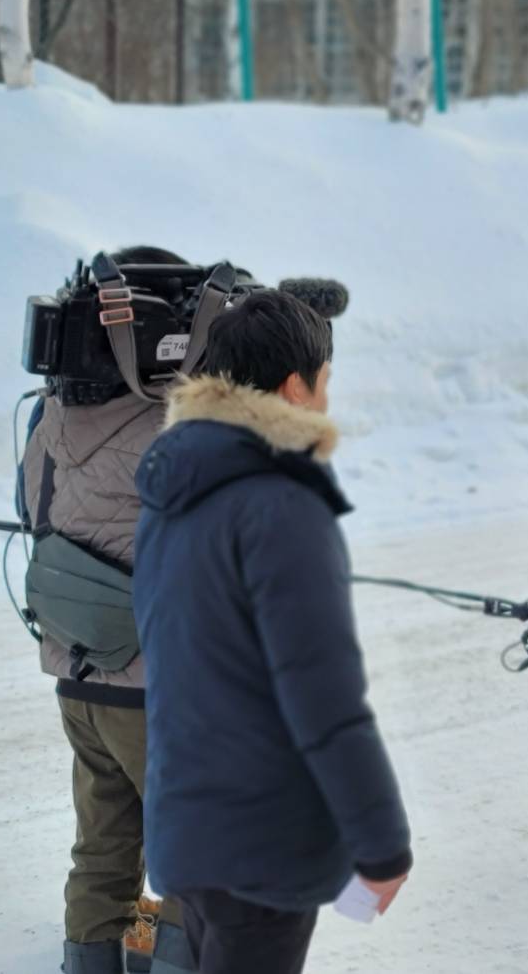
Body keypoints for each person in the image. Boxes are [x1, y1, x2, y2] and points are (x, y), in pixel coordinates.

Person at [131, 289, 412, 974]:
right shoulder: (281, 504)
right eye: (324, 382)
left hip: (188, 830)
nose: (324, 400)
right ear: (295, 385)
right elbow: (324, 697)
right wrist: (383, 846)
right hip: (262, 847)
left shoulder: (174, 492)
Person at [20, 245, 196, 974]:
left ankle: (88, 960)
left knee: (103, 838)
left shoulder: (49, 416)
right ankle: (183, 962)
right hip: (156, 685)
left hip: (78, 672)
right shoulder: (177, 430)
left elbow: (32, 511)